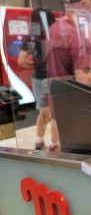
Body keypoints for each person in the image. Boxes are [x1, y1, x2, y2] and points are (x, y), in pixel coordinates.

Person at [45, 0, 91, 151]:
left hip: (56, 95)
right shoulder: (75, 33)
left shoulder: (54, 28)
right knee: (77, 150)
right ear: (83, 4)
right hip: (72, 102)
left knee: (59, 140)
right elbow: (83, 78)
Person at [17, 8, 56, 150]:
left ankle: (39, 141)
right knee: (55, 115)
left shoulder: (32, 38)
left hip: (38, 78)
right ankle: (54, 144)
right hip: (54, 78)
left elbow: (21, 61)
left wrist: (35, 64)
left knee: (43, 112)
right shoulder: (54, 35)